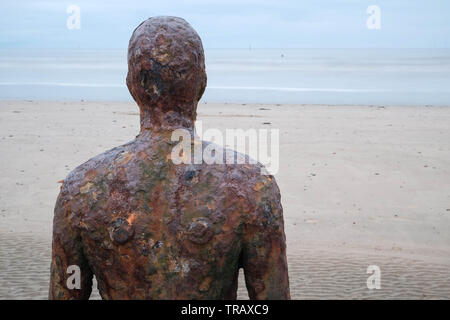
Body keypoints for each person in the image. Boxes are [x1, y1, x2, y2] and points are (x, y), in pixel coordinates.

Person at [49, 16, 290, 300]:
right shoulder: (252, 185)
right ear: (202, 83)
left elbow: (68, 289)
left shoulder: (79, 189)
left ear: (131, 85)